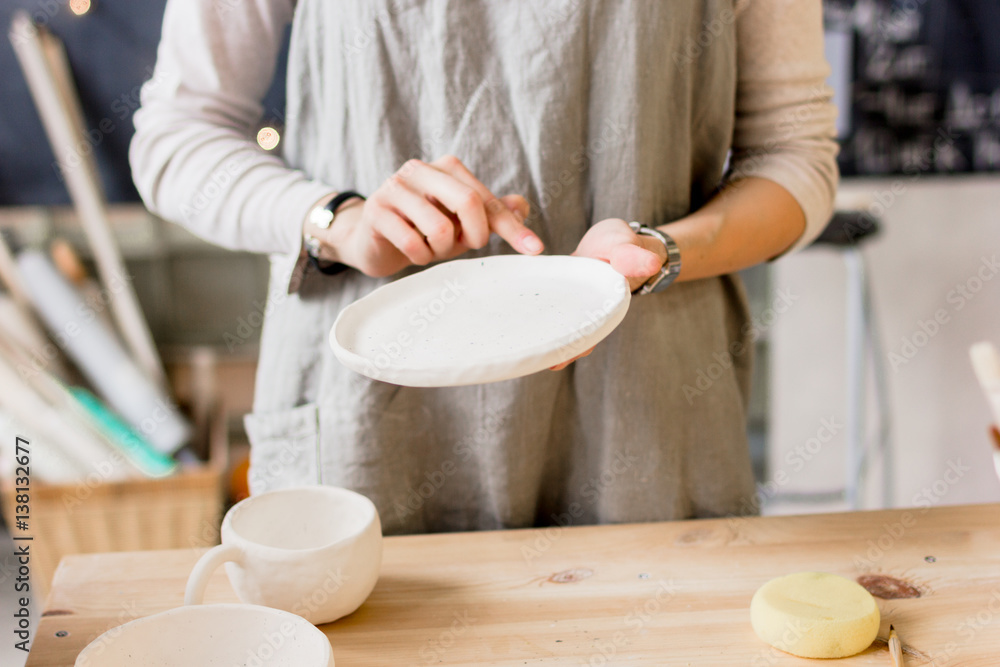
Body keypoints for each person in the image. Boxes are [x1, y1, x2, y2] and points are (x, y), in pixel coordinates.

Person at [131, 0, 838, 534]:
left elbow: (794, 154)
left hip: (643, 420)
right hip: (375, 428)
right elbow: (175, 136)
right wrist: (339, 221)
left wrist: (661, 248)